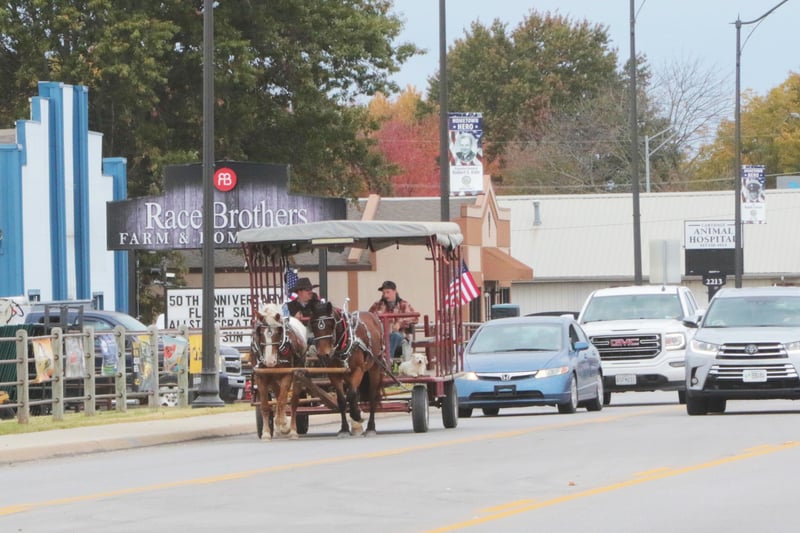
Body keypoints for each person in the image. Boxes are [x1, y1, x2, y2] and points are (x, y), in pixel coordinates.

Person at [369, 280, 417, 358]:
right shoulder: (377, 305)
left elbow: (414, 317)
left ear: (395, 291)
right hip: (381, 338)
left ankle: (387, 359)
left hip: (399, 339)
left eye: (388, 292)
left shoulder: (403, 304)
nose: (385, 295)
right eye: (384, 293)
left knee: (395, 336)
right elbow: (369, 318)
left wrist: (400, 323)